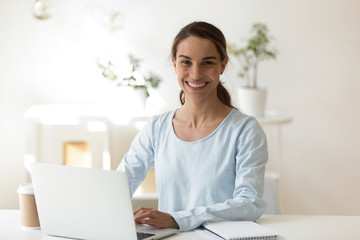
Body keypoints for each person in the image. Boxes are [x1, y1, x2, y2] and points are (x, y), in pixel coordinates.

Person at [118, 21, 268, 232]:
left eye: (207, 63)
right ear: (174, 63)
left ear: (223, 65)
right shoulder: (157, 128)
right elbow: (118, 185)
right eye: (186, 62)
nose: (196, 74)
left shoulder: (245, 130)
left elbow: (249, 203)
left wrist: (177, 219)